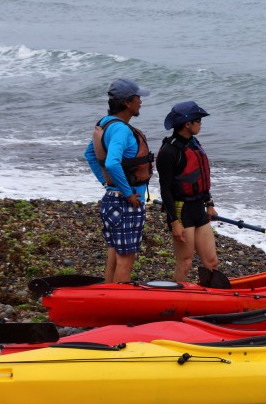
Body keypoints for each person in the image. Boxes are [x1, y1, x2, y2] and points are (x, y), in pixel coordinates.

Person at [84, 78, 154, 283]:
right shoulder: (122, 129)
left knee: (114, 256)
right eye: (137, 97)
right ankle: (116, 306)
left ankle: (105, 299)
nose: (140, 101)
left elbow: (90, 155)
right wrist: (127, 192)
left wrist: (108, 184)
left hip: (111, 201)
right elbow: (113, 163)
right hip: (126, 203)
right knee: (126, 261)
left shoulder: (105, 124)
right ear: (127, 102)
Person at [156, 100, 220, 283]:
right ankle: (175, 303)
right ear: (187, 124)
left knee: (212, 262)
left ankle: (211, 299)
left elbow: (201, 176)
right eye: (198, 120)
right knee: (185, 262)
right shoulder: (169, 151)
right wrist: (174, 222)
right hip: (181, 212)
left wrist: (209, 205)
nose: (200, 124)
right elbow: (165, 190)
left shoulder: (194, 143)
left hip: (198, 208)